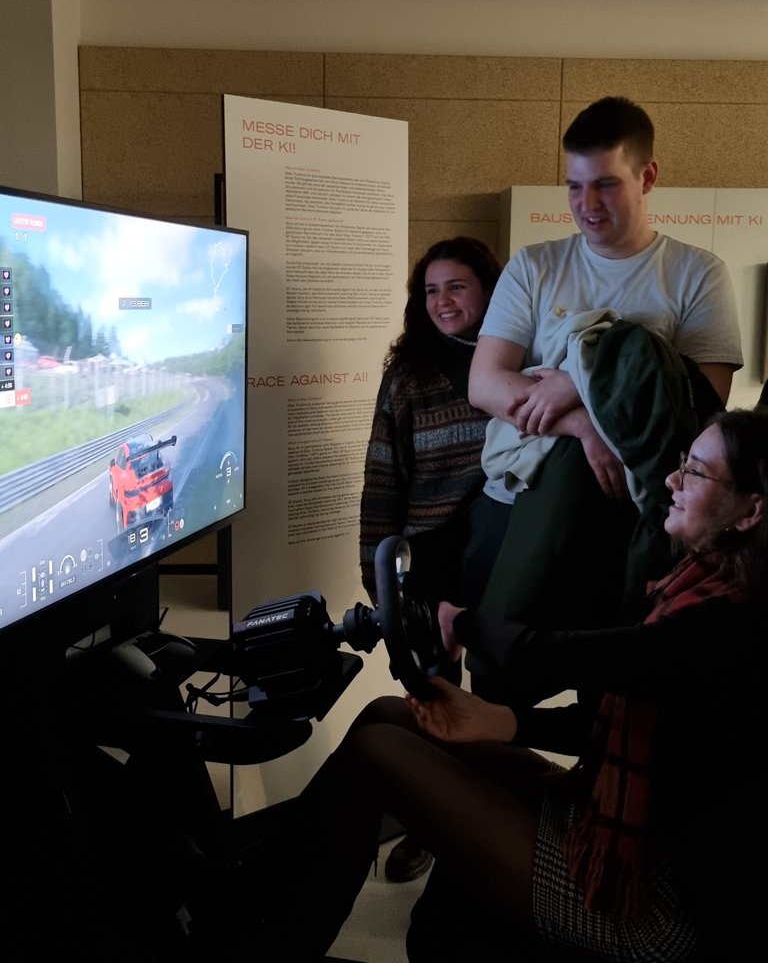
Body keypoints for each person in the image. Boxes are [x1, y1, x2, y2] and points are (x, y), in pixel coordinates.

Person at [247, 407, 767, 963]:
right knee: (387, 715)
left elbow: (584, 658)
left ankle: (273, 943)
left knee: (377, 753)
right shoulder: (698, 585)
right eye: (683, 463)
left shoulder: (732, 623)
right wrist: (505, 722)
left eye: (696, 472)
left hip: (649, 896)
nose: (671, 480)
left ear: (751, 511)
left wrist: (465, 625)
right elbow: (612, 722)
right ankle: (265, 909)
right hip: (608, 821)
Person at [461, 95, 743, 694]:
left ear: (648, 176)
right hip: (517, 504)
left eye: (606, 185)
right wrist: (584, 425)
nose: (587, 205)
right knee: (497, 675)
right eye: (574, 186)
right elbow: (485, 383)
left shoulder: (696, 274)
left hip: (628, 514)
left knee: (610, 691)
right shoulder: (534, 266)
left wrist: (573, 382)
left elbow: (702, 403)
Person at [359, 235, 501, 883]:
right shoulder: (408, 375)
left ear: (488, 291)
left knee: (496, 694)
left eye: (457, 287)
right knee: (434, 694)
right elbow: (382, 475)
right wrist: (378, 575)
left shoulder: (516, 362)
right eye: (431, 290)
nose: (442, 301)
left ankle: (492, 825)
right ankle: (429, 824)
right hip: (429, 556)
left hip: (498, 550)